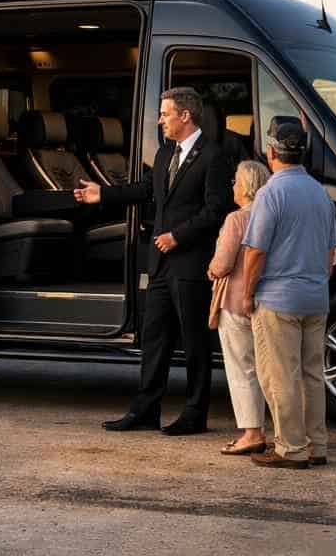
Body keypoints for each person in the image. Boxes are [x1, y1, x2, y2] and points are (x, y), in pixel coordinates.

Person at [74, 87, 235, 435]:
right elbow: (145, 190)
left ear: (185, 116)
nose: (160, 119)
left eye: (165, 114)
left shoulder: (214, 156)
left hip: (191, 263)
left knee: (194, 343)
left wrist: (179, 235)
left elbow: (216, 209)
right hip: (161, 264)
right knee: (154, 339)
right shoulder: (165, 154)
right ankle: (145, 410)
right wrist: (103, 194)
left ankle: (195, 415)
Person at [239, 116, 336, 469]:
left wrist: (248, 294)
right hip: (316, 296)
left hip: (278, 298)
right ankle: (317, 445)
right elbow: (330, 255)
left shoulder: (270, 193)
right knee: (312, 375)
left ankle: (290, 448)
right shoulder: (320, 192)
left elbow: (256, 251)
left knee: (280, 375)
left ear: (270, 151)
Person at [208, 159, 271, 455]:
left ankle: (252, 432)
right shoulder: (273, 215)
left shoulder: (237, 219)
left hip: (235, 301)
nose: (232, 186)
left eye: (235, 181)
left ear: (246, 187)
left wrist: (211, 269)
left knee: (242, 368)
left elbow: (222, 264)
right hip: (269, 300)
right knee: (270, 369)